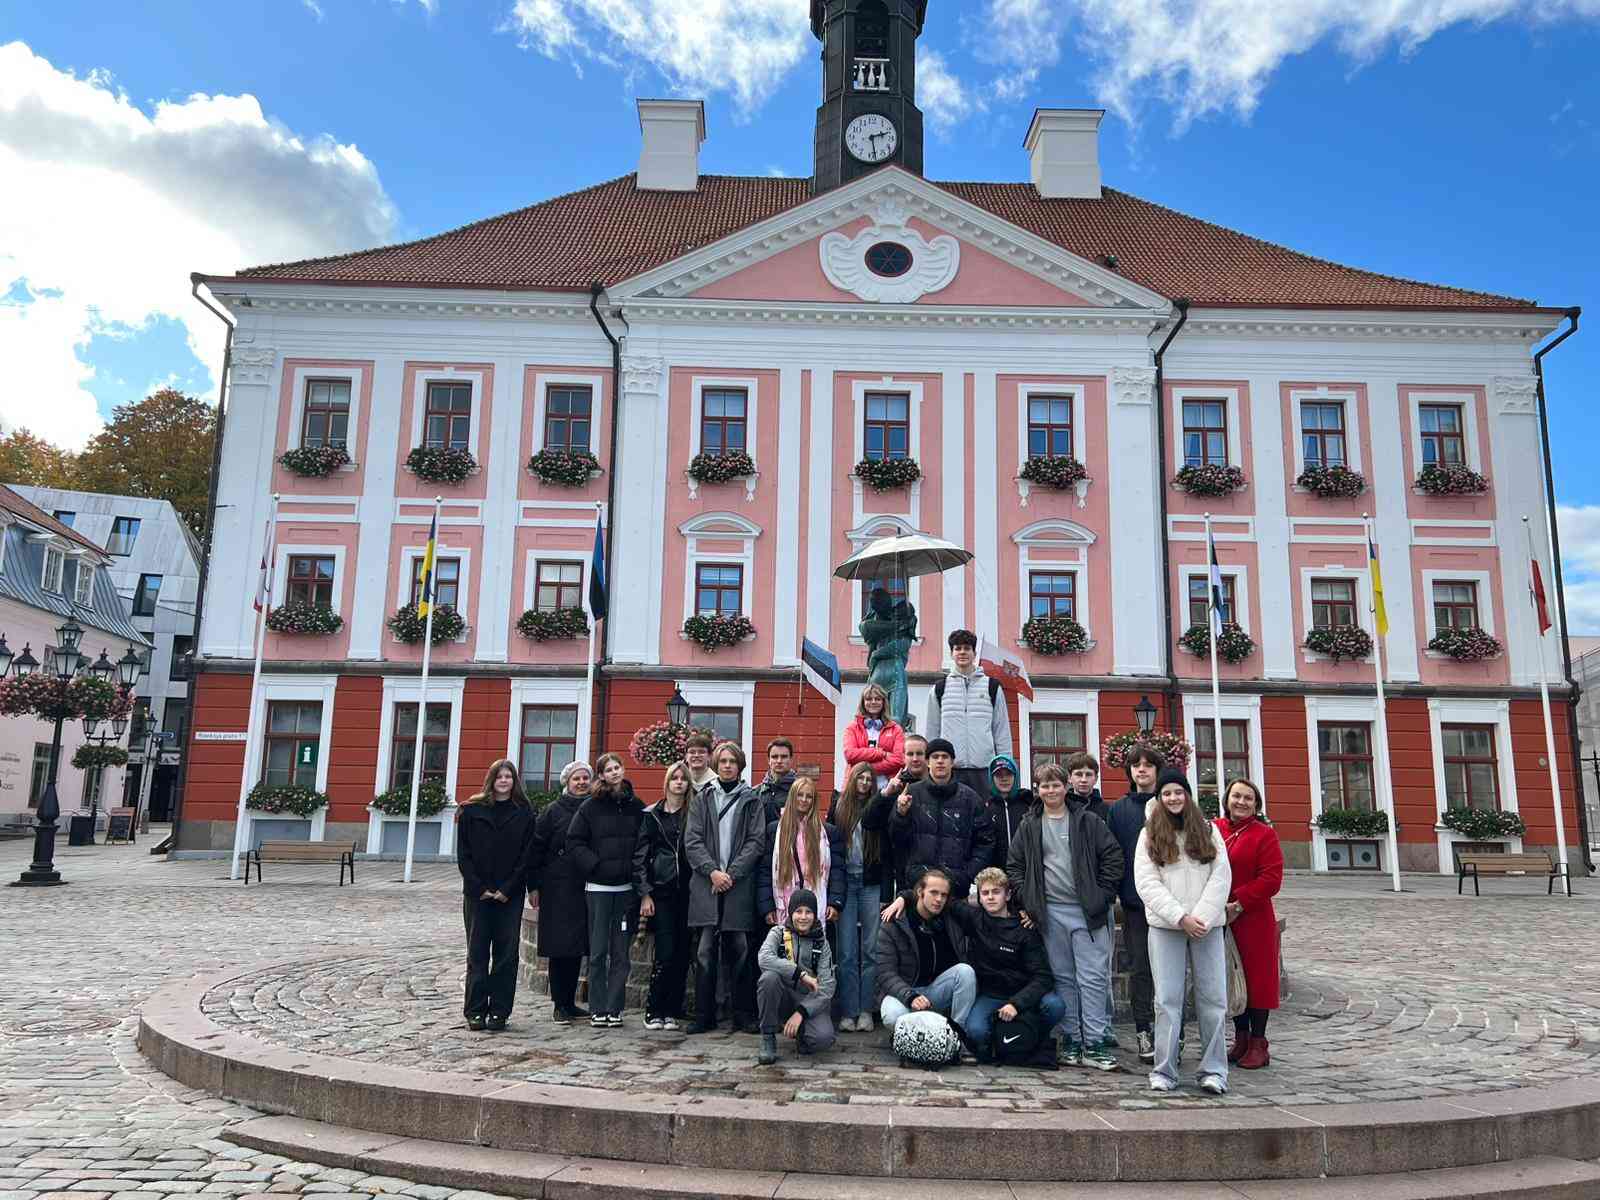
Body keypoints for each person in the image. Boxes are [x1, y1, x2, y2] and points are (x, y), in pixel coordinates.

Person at [1006, 762, 1124, 1070]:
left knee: (1093, 978)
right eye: (1044, 785)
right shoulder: (1029, 824)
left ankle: (1095, 1042)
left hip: (1088, 912)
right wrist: (1029, 900)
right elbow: (1015, 865)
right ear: (1038, 789)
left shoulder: (1086, 821)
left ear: (1065, 787)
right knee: (1064, 979)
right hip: (1051, 913)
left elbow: (1113, 856)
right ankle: (1072, 1038)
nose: (1050, 790)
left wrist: (1103, 895)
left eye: (1055, 784)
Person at [881, 866, 1063, 1061]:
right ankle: (972, 1039)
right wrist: (903, 897)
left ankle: (1029, 1038)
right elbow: (933, 897)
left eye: (996, 892)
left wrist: (1017, 1004)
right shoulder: (972, 917)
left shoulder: (1025, 927)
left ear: (1008, 895)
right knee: (976, 1032)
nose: (991, 897)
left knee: (1055, 1005)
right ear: (979, 897)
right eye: (985, 893)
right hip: (990, 995)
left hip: (1021, 995)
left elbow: (1043, 977)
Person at [1134, 769, 1232, 1095]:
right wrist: (1180, 917)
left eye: (1178, 792)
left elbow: (1221, 876)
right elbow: (1147, 883)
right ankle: (1165, 1070)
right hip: (1167, 928)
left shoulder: (1208, 830)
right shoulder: (1149, 834)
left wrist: (1201, 917)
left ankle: (1214, 1070)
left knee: (1213, 1000)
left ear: (1187, 795)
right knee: (1167, 1000)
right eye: (1167, 794)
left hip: (1206, 927)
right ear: (1159, 799)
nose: (1173, 798)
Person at [683, 741, 766, 1034]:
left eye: (732, 761)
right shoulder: (702, 798)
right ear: (716, 765)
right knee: (705, 950)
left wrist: (731, 874)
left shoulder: (751, 799)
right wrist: (713, 872)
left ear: (740, 765)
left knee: (741, 950)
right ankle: (704, 1014)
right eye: (723, 761)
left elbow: (756, 841)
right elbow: (692, 841)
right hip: (707, 885)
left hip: (738, 885)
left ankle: (742, 1013)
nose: (727, 765)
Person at [566, 752, 646, 1028]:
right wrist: (596, 866)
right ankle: (598, 1008)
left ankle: (615, 1008)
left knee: (621, 955)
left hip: (625, 891)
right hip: (598, 889)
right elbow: (574, 842)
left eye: (617, 767)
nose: (614, 772)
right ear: (601, 775)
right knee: (598, 953)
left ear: (623, 771)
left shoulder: (636, 806)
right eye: (608, 769)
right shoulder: (590, 807)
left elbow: (644, 844)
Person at [456, 759, 536, 1031]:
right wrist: (481, 888)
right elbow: (463, 856)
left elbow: (526, 857)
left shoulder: (524, 813)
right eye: (500, 776)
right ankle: (475, 1010)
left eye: (509, 777)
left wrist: (506, 889)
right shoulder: (471, 811)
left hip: (509, 896)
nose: (504, 781)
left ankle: (500, 1011)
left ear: (514, 782)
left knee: (506, 955)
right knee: (477, 954)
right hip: (477, 895)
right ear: (491, 780)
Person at [1214, 778, 1283, 1070]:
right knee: (1232, 980)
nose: (1241, 802)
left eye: (1248, 798)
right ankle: (1240, 1038)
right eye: (1237, 796)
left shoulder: (1264, 835)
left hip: (1252, 918)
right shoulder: (1215, 829)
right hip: (1220, 916)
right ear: (1227, 799)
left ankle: (1258, 1043)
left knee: (1257, 982)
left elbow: (1271, 878)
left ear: (1256, 804)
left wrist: (1239, 903)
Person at [1104, 745, 1163, 1063]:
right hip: (1134, 903)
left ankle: (1172, 1031)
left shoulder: (1169, 802)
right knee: (1141, 968)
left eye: (1148, 765)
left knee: (1168, 971)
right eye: (1136, 766)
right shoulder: (1119, 810)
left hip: (1168, 904)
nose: (1142, 770)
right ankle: (1144, 1030)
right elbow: (1114, 855)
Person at [527, 760, 594, 1024]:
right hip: (556, 886)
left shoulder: (593, 807)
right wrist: (533, 885)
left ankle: (571, 1002)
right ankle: (559, 1003)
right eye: (576, 779)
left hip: (583, 884)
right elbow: (536, 850)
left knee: (577, 946)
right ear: (567, 782)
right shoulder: (551, 811)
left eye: (585, 779)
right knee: (560, 947)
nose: (581, 783)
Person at [888, 738, 994, 900]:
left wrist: (967, 874)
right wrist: (900, 815)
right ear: (927, 762)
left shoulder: (970, 798)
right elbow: (897, 840)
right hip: (919, 887)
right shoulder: (911, 794)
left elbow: (985, 841)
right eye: (935, 757)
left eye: (945, 757)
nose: (940, 761)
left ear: (952, 762)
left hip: (956, 888)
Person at [875, 866, 977, 1033]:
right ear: (920, 892)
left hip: (936, 990)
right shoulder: (895, 922)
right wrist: (910, 996)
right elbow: (886, 973)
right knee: (893, 1016)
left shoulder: (950, 919)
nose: (939, 899)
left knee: (965, 972)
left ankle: (956, 1034)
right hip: (904, 992)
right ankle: (922, 1035)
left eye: (943, 895)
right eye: (933, 893)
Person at [827, 762, 888, 1032]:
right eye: (860, 777)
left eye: (868, 778)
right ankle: (849, 1011)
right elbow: (829, 847)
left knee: (871, 950)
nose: (864, 782)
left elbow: (889, 853)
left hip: (871, 883)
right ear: (852, 779)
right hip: (846, 885)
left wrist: (888, 892)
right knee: (847, 951)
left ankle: (866, 1010)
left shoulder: (878, 807)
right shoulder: (840, 805)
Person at [634, 761, 694, 1030]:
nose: (679, 782)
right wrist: (645, 894)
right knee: (665, 952)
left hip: (690, 891)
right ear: (667, 782)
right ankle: (653, 1009)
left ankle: (672, 1009)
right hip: (662, 889)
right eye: (675, 778)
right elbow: (640, 857)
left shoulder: (693, 813)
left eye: (683, 778)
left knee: (683, 953)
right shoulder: (652, 815)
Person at [1063, 750, 1115, 1045]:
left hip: (1097, 898)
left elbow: (1112, 854)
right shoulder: (1063, 809)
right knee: (1070, 969)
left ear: (1095, 778)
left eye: (1089, 774)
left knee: (1099, 969)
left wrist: (1105, 893)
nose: (1083, 779)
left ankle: (1103, 1027)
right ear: (1069, 778)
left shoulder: (1105, 811)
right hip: (1069, 898)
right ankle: (1076, 1026)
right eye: (1078, 774)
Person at [924, 629, 1013, 797]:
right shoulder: (939, 689)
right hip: (951, 769)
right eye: (957, 648)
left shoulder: (992, 687)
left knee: (985, 820)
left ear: (974, 652)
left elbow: (1001, 731)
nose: (962, 652)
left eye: (967, 648)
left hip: (984, 769)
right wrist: (931, 765)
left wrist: (1004, 766)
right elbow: (932, 732)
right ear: (951, 653)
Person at [755, 887, 837, 1065]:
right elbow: (764, 958)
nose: (803, 917)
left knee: (824, 1038)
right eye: (798, 911)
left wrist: (801, 1012)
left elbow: (827, 986)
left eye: (809, 912)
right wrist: (800, 974)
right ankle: (768, 1037)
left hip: (807, 1000)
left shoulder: (822, 943)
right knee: (768, 978)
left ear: (815, 915)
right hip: (782, 996)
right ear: (791, 913)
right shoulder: (778, 933)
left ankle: (802, 1032)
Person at [758, 775, 842, 928]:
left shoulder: (828, 832)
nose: (804, 799)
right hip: (783, 903)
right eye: (800, 795)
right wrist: (767, 906)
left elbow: (837, 870)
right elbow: (765, 870)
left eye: (808, 796)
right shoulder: (774, 830)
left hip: (816, 903)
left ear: (814, 800)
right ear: (792, 797)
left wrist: (834, 902)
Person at [843, 684, 906, 789]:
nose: (873, 702)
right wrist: (881, 753)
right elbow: (850, 755)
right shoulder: (852, 728)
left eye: (877, 699)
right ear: (863, 703)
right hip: (855, 789)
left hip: (887, 788)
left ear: (883, 702)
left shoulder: (896, 729)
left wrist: (865, 769)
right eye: (868, 699)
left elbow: (899, 760)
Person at [984, 754, 1033, 871]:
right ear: (992, 778)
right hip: (996, 875)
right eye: (998, 775)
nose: (1004, 779)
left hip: (1024, 872)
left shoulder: (1029, 805)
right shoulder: (985, 808)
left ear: (1015, 776)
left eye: (1008, 774)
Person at [755, 738, 798, 824]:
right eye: (774, 757)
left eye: (784, 757)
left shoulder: (800, 791)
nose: (779, 761)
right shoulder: (757, 792)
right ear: (768, 760)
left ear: (791, 760)